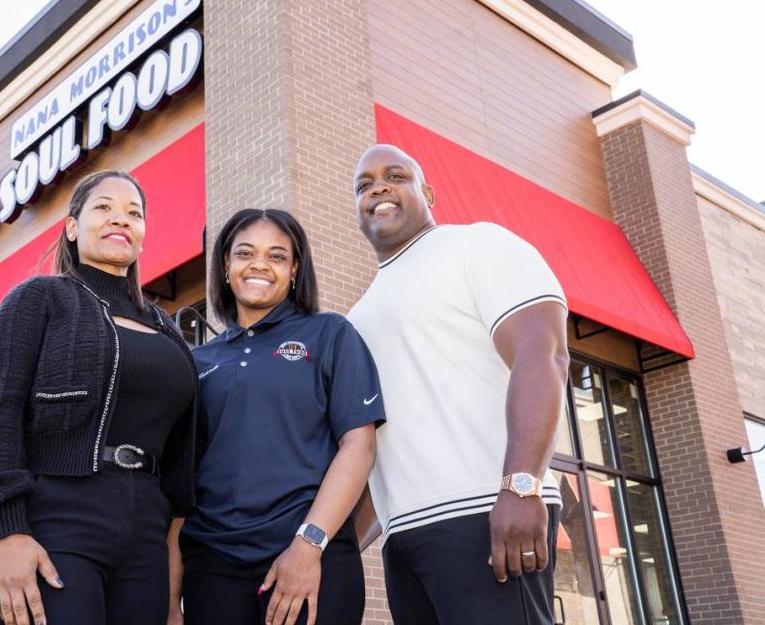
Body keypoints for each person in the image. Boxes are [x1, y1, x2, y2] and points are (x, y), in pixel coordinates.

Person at [0, 170, 200, 625]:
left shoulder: (167, 328)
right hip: (52, 519)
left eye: (134, 213)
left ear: (143, 236)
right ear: (72, 228)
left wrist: (171, 586)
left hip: (145, 534)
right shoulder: (39, 299)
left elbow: (180, 460)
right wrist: (8, 534)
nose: (120, 219)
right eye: (104, 207)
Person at [347, 145, 570, 625]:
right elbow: (370, 448)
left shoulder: (478, 245)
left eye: (394, 176)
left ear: (427, 192)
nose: (378, 188)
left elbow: (544, 354)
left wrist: (521, 487)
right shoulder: (357, 317)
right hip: (404, 538)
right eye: (364, 185)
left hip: (488, 515)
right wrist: (333, 547)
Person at [167, 209, 386, 625]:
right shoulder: (197, 362)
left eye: (277, 256)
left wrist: (308, 545)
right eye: (245, 253)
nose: (260, 265)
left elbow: (359, 447)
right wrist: (169, 599)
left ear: (294, 270)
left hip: (308, 556)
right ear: (226, 266)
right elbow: (182, 486)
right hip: (213, 569)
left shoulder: (330, 335)